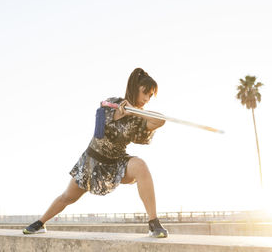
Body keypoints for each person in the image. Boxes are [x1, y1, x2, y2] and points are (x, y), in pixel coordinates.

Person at [22, 68, 168, 238]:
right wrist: (122, 111)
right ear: (135, 88)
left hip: (116, 162)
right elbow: (99, 130)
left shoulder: (139, 118)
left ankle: (153, 223)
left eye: (150, 96)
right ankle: (40, 223)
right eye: (145, 93)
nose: (147, 99)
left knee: (141, 166)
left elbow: (161, 120)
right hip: (92, 161)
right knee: (67, 197)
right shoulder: (111, 103)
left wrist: (138, 112)